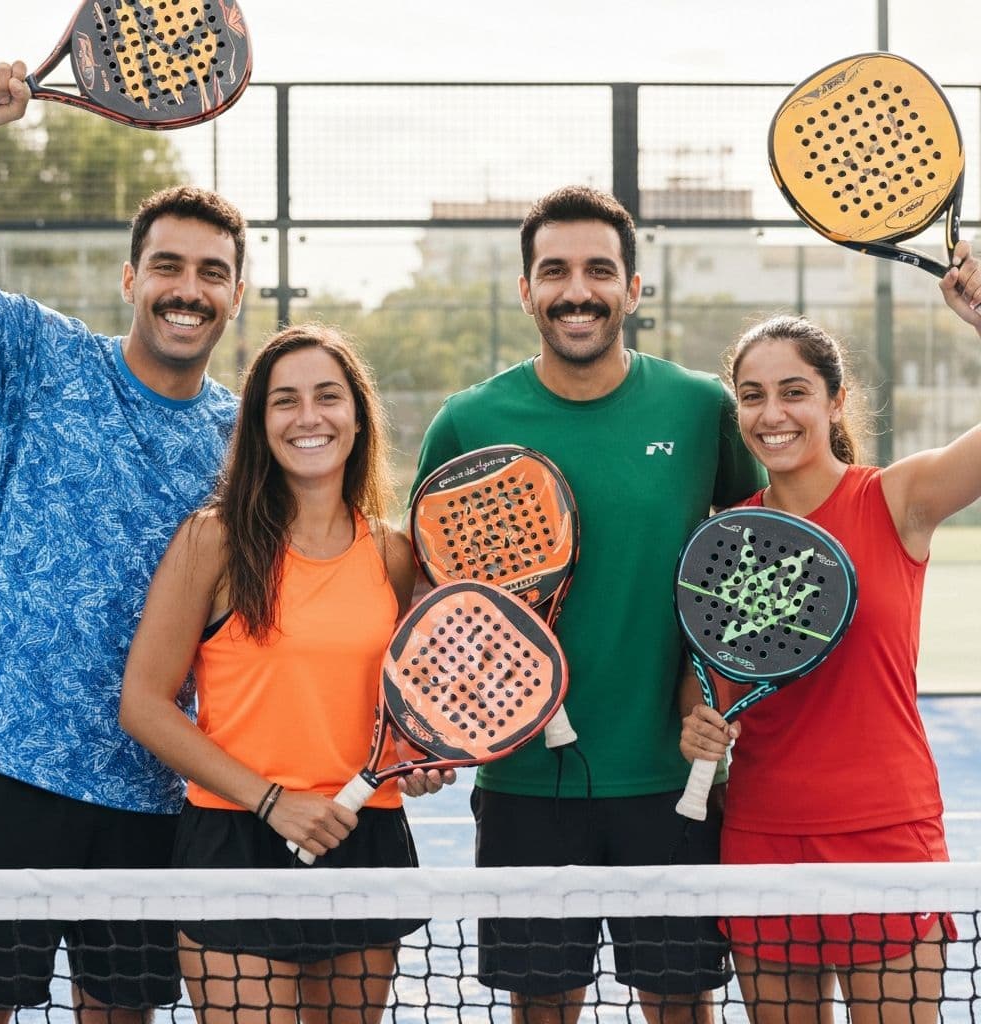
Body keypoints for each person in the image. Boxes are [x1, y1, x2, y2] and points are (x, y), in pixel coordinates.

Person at [408, 185, 766, 1024]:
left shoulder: (700, 407)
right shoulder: (468, 421)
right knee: (543, 1010)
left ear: (633, 289)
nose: (579, 289)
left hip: (672, 780)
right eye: (555, 270)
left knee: (680, 1007)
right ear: (526, 289)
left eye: (600, 270)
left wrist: (717, 703)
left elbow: (751, 548)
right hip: (526, 783)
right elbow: (428, 588)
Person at [0, 61, 246, 1024]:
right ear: (132, 278)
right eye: (167, 265)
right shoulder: (45, 358)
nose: (186, 288)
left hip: (152, 789)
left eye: (211, 272)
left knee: (118, 1015)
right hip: (4, 761)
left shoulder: (248, 441)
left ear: (236, 295)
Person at [680, 242, 981, 1024]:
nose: (771, 414)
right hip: (762, 834)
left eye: (793, 392)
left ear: (835, 401)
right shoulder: (728, 537)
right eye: (751, 396)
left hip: (887, 832)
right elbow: (706, 676)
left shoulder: (898, 499)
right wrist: (696, 726)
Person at [120, 323, 454, 1024]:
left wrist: (415, 760)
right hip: (234, 842)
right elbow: (144, 704)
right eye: (284, 401)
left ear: (358, 418)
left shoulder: (393, 556)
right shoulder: (210, 541)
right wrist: (272, 801)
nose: (309, 417)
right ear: (259, 424)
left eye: (328, 397)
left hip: (364, 838)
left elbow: (391, 711)